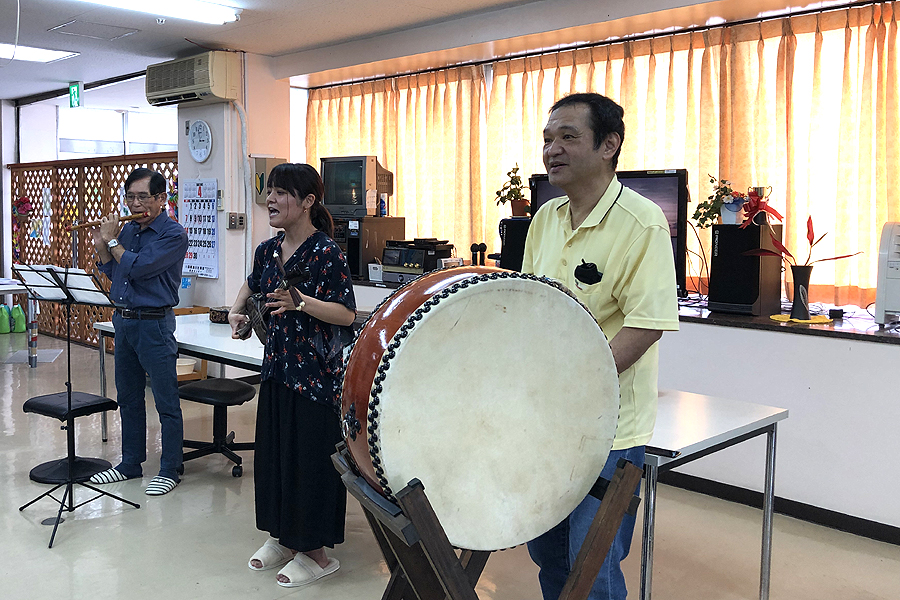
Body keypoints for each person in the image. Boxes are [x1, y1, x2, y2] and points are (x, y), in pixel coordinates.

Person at [522, 93, 680, 600]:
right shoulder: (545, 218)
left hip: (611, 428)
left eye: (568, 136)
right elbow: (531, 307)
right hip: (548, 420)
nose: (553, 150)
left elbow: (646, 324)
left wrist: (576, 382)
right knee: (547, 552)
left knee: (592, 559)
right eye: (548, 139)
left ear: (609, 145)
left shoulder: (642, 222)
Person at [228, 163, 356, 588]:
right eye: (270, 191)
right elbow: (252, 286)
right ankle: (283, 538)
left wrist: (302, 303)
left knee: (310, 465)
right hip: (277, 372)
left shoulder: (327, 253)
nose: (271, 199)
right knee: (275, 459)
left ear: (307, 202)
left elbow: (346, 314)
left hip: (316, 380)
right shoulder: (268, 250)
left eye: (282, 192)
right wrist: (237, 311)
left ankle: (317, 554)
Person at [88, 168, 189, 496]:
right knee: (128, 397)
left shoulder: (173, 234)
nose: (134, 204)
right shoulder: (128, 231)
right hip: (125, 321)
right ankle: (130, 463)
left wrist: (114, 240)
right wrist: (102, 245)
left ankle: (171, 467)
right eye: (130, 197)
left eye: (142, 197)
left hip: (155, 324)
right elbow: (116, 272)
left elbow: (141, 268)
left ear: (161, 199)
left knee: (165, 399)